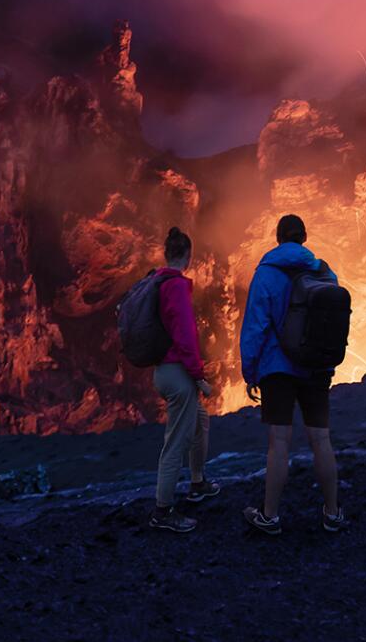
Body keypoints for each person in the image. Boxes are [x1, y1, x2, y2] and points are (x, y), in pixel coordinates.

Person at [239, 213, 347, 536]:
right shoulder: (324, 272)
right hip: (315, 367)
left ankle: (270, 516)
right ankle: (332, 513)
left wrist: (250, 371)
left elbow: (255, 327)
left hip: (277, 370)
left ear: (278, 238)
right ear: (304, 238)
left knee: (279, 442)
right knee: (321, 439)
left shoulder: (266, 275)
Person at [149, 226, 219, 533]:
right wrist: (199, 376)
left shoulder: (156, 282)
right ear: (188, 257)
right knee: (176, 441)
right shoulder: (175, 287)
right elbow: (186, 336)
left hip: (164, 370)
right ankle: (163, 511)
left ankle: (197, 482)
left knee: (200, 421)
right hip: (177, 373)